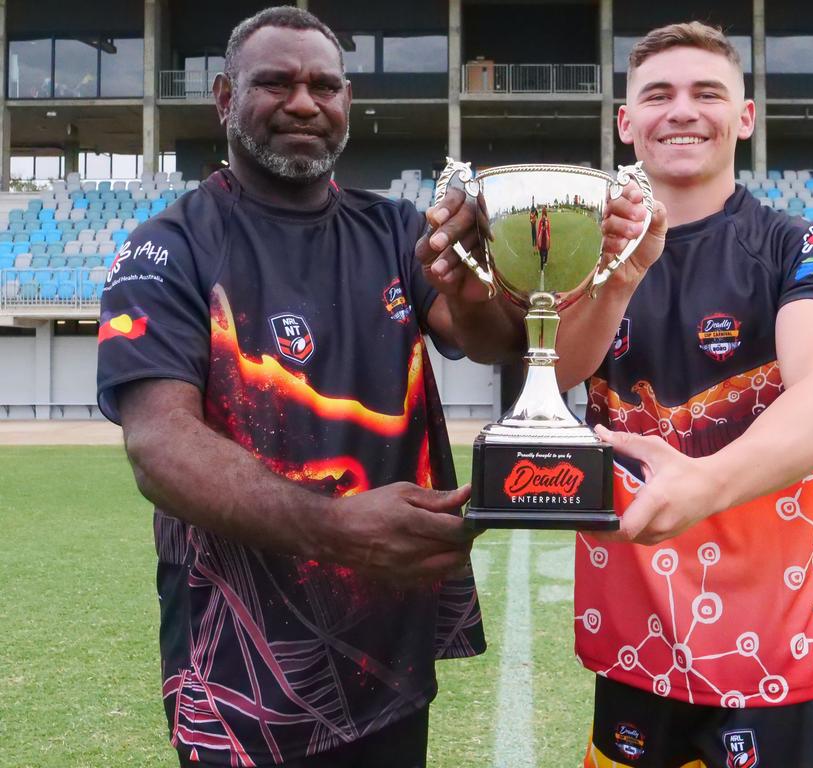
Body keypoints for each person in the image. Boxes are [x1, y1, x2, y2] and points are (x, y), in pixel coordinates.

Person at [95, 7, 520, 767]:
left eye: (325, 85)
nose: (304, 102)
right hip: (241, 674)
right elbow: (159, 446)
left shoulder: (394, 229)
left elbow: (482, 339)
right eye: (277, 83)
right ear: (225, 98)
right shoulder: (170, 246)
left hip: (387, 650)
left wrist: (491, 276)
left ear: (347, 103)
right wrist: (340, 529)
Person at [551, 22, 813, 768]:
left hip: (771, 647)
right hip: (631, 644)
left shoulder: (805, 246)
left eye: (708, 93)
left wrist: (703, 483)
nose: (682, 111)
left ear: (745, 116)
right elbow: (563, 369)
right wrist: (621, 278)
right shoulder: (581, 256)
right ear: (625, 122)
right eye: (658, 94)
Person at [537, 206, 552, 270]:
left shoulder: (544, 221)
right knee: (546, 250)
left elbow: (541, 231)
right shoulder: (545, 221)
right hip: (545, 238)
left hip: (544, 239)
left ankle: (544, 262)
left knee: (544, 250)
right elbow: (546, 231)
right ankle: (544, 261)